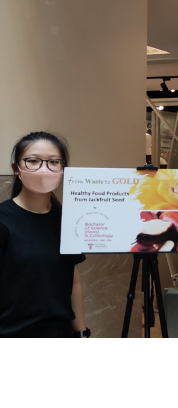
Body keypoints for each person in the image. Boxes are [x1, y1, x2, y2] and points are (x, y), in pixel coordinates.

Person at [0, 132, 88, 338]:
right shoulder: (3, 220)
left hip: (61, 335)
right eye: (33, 161)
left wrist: (82, 333)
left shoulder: (68, 219)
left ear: (63, 169)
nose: (44, 169)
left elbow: (73, 281)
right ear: (16, 169)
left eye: (54, 162)